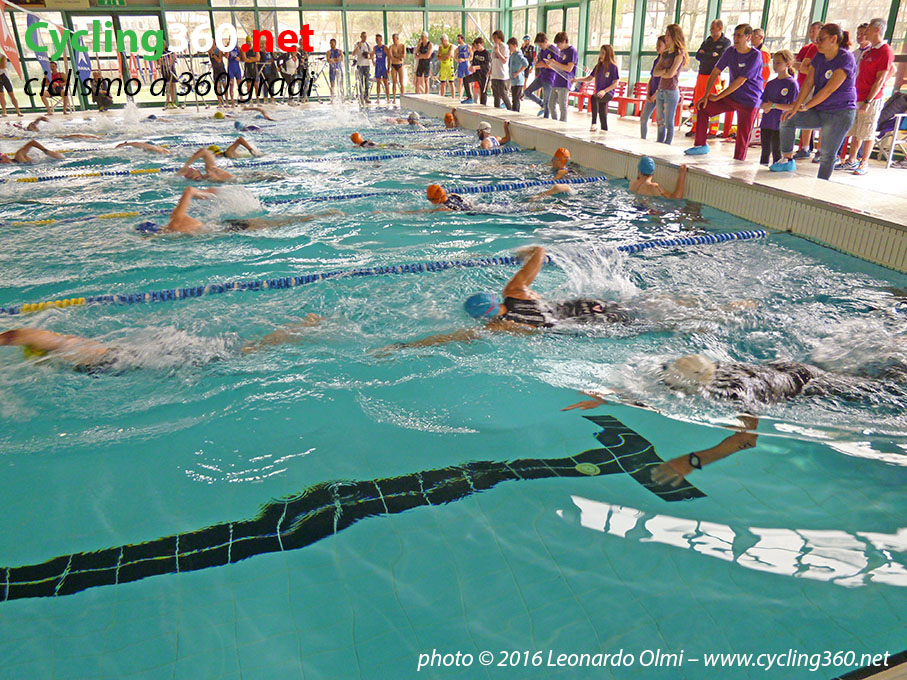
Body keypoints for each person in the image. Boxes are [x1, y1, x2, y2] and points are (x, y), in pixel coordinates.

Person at [383, 246, 633, 351]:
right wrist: (523, 252)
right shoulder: (515, 290)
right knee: (634, 306)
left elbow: (449, 338)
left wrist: (404, 346)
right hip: (590, 305)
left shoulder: (501, 326)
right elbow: (540, 252)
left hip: (590, 326)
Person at [0, 317, 325, 372]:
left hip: (143, 358)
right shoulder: (70, 350)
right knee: (235, 353)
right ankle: (296, 329)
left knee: (242, 353)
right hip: (143, 356)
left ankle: (298, 329)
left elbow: (18, 335)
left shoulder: (65, 346)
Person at [771, 24, 857, 181]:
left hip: (840, 113)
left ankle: (821, 183)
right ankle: (787, 160)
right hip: (820, 110)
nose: (817, 43)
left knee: (827, 154)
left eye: (821, 39)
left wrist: (806, 106)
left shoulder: (845, 58)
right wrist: (795, 108)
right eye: (817, 39)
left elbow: (828, 89)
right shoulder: (819, 56)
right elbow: (808, 83)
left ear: (834, 39)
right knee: (787, 119)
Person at [685, 24, 764, 161]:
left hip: (749, 101)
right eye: (734, 35)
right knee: (703, 107)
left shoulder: (755, 55)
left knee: (742, 137)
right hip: (733, 97)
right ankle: (700, 145)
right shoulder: (730, 51)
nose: (736, 38)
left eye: (739, 35)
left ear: (748, 37)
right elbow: (715, 72)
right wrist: (706, 96)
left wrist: (718, 96)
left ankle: (738, 162)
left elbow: (740, 81)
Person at [134, 186, 340, 235]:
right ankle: (320, 215)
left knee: (280, 223)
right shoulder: (175, 219)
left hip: (228, 229)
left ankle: (322, 216)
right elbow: (188, 190)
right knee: (280, 222)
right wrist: (203, 194)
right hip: (225, 226)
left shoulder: (174, 227)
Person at [842, 18, 894, 175]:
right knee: (857, 130)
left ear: (877, 30)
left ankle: (864, 161)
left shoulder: (885, 51)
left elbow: (881, 78)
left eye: (869, 29)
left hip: (871, 99)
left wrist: (868, 101)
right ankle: (851, 160)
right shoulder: (869, 51)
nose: (865, 33)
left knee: (868, 130)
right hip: (858, 95)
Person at [690, 20, 731, 137]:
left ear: (720, 28)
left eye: (713, 28)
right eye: (710, 28)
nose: (711, 30)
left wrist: (706, 54)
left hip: (714, 76)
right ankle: (695, 128)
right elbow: (698, 56)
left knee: (713, 101)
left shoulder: (725, 42)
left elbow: (721, 58)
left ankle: (713, 130)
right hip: (702, 74)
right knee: (697, 100)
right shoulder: (707, 41)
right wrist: (712, 54)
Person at [758, 50, 799, 166]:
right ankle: (762, 171)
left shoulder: (791, 84)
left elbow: (793, 106)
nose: (775, 66)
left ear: (788, 64)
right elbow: (762, 102)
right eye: (774, 62)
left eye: (778, 63)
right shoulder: (771, 84)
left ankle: (777, 171)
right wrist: (765, 107)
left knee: (777, 152)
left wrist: (774, 105)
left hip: (781, 123)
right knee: (765, 152)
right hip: (767, 122)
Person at [652, 24, 688, 144]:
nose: (666, 38)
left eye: (668, 35)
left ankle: (667, 143)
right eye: (666, 35)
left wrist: (664, 72)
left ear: (674, 36)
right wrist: (665, 71)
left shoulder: (679, 54)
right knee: (660, 120)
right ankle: (659, 141)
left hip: (671, 91)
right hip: (661, 89)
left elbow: (671, 74)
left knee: (669, 121)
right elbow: (655, 72)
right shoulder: (665, 53)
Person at [792, 21, 823, 159]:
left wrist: (809, 69)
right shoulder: (809, 48)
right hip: (804, 85)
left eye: (814, 31)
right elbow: (798, 65)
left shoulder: (823, 49)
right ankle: (805, 147)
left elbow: (804, 67)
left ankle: (820, 149)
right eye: (810, 31)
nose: (811, 34)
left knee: (821, 118)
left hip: (818, 87)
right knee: (806, 114)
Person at [575, 44, 620, 131]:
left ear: (608, 54)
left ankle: (593, 123)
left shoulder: (613, 67)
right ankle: (604, 130)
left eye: (603, 53)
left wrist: (604, 91)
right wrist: (577, 79)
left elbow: (615, 83)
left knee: (594, 98)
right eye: (600, 53)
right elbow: (589, 78)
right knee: (602, 114)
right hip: (599, 92)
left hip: (608, 93)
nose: (601, 55)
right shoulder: (599, 66)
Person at [545, 32, 577, 121]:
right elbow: (559, 67)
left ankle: (562, 123)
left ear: (564, 41)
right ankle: (555, 121)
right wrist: (551, 65)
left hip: (565, 81)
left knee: (562, 106)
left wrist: (555, 63)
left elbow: (569, 68)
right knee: (551, 104)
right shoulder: (561, 51)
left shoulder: (572, 51)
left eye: (559, 44)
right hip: (556, 80)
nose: (557, 46)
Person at [524, 33, 557, 117]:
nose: (540, 47)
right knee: (527, 92)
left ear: (546, 41)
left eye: (541, 45)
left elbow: (555, 66)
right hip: (542, 76)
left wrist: (544, 65)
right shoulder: (542, 51)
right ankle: (541, 104)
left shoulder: (553, 50)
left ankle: (546, 118)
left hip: (550, 78)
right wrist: (539, 63)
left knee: (547, 100)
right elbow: (539, 63)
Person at [640, 36, 667, 139]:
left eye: (660, 45)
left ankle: (660, 142)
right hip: (652, 94)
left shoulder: (666, 62)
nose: (657, 47)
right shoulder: (656, 61)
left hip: (660, 94)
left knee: (660, 121)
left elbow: (663, 80)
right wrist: (648, 93)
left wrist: (656, 94)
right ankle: (643, 138)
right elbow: (652, 78)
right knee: (643, 118)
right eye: (657, 45)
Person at [461, 37, 490, 105]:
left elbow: (486, 66)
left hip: (484, 75)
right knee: (465, 79)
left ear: (482, 44)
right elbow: (474, 63)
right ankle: (469, 97)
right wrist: (471, 67)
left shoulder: (486, 53)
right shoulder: (476, 53)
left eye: (477, 45)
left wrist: (476, 67)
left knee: (483, 92)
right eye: (475, 45)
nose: (476, 47)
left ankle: (483, 105)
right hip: (477, 74)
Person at [489, 30, 512, 110]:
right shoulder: (494, 47)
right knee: (495, 95)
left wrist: (498, 52)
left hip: (502, 74)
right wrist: (490, 70)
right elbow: (493, 60)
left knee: (503, 93)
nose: (495, 40)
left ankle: (510, 108)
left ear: (500, 38)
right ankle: (496, 109)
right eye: (494, 38)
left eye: (496, 38)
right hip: (494, 74)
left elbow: (504, 60)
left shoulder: (504, 47)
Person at [507, 37, 529, 112]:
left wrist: (518, 72)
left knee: (516, 99)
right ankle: (514, 111)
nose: (509, 49)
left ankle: (515, 112)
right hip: (514, 81)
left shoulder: (518, 55)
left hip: (518, 81)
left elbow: (526, 64)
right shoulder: (513, 55)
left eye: (510, 47)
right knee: (514, 98)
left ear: (515, 45)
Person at [0, 140, 64, 164]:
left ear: (5, 156)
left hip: (53, 161)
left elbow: (32, 142)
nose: (1, 162)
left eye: (0, 159)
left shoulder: (18, 156)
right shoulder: (14, 163)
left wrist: (46, 151)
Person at [352, 31, 372, 105]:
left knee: (367, 82)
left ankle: (366, 97)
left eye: (366, 36)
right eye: (363, 36)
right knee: (361, 82)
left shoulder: (368, 45)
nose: (365, 38)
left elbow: (371, 53)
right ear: (361, 37)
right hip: (360, 65)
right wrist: (358, 46)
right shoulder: (357, 44)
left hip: (367, 65)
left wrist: (368, 55)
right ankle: (361, 96)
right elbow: (353, 53)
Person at [389, 34, 406, 103]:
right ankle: (394, 98)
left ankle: (403, 98)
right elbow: (391, 57)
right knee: (394, 82)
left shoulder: (402, 46)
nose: (393, 40)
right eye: (393, 39)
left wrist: (395, 55)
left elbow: (403, 56)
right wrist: (399, 57)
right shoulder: (391, 47)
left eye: (394, 39)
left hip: (400, 65)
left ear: (397, 38)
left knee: (401, 82)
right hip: (394, 65)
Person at [226, 42, 244, 107]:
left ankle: (241, 99)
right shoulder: (228, 48)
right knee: (231, 85)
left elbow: (242, 58)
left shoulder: (238, 48)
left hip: (237, 68)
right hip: (231, 69)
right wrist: (227, 48)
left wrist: (239, 58)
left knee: (239, 85)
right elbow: (226, 56)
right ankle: (232, 102)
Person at [373, 34, 389, 104]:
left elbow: (389, 57)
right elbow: (372, 55)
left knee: (385, 82)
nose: (376, 40)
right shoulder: (375, 48)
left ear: (381, 40)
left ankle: (388, 98)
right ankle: (378, 98)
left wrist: (388, 68)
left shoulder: (385, 47)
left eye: (377, 39)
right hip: (377, 66)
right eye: (376, 39)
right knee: (378, 83)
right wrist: (373, 62)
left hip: (383, 66)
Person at [455, 35, 471, 102]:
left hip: (466, 64)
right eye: (457, 39)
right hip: (460, 65)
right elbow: (455, 57)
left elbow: (471, 57)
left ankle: (469, 95)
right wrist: (458, 60)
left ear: (462, 39)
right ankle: (460, 95)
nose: (458, 40)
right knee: (460, 80)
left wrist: (465, 59)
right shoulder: (458, 48)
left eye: (459, 39)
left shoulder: (468, 47)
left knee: (468, 80)